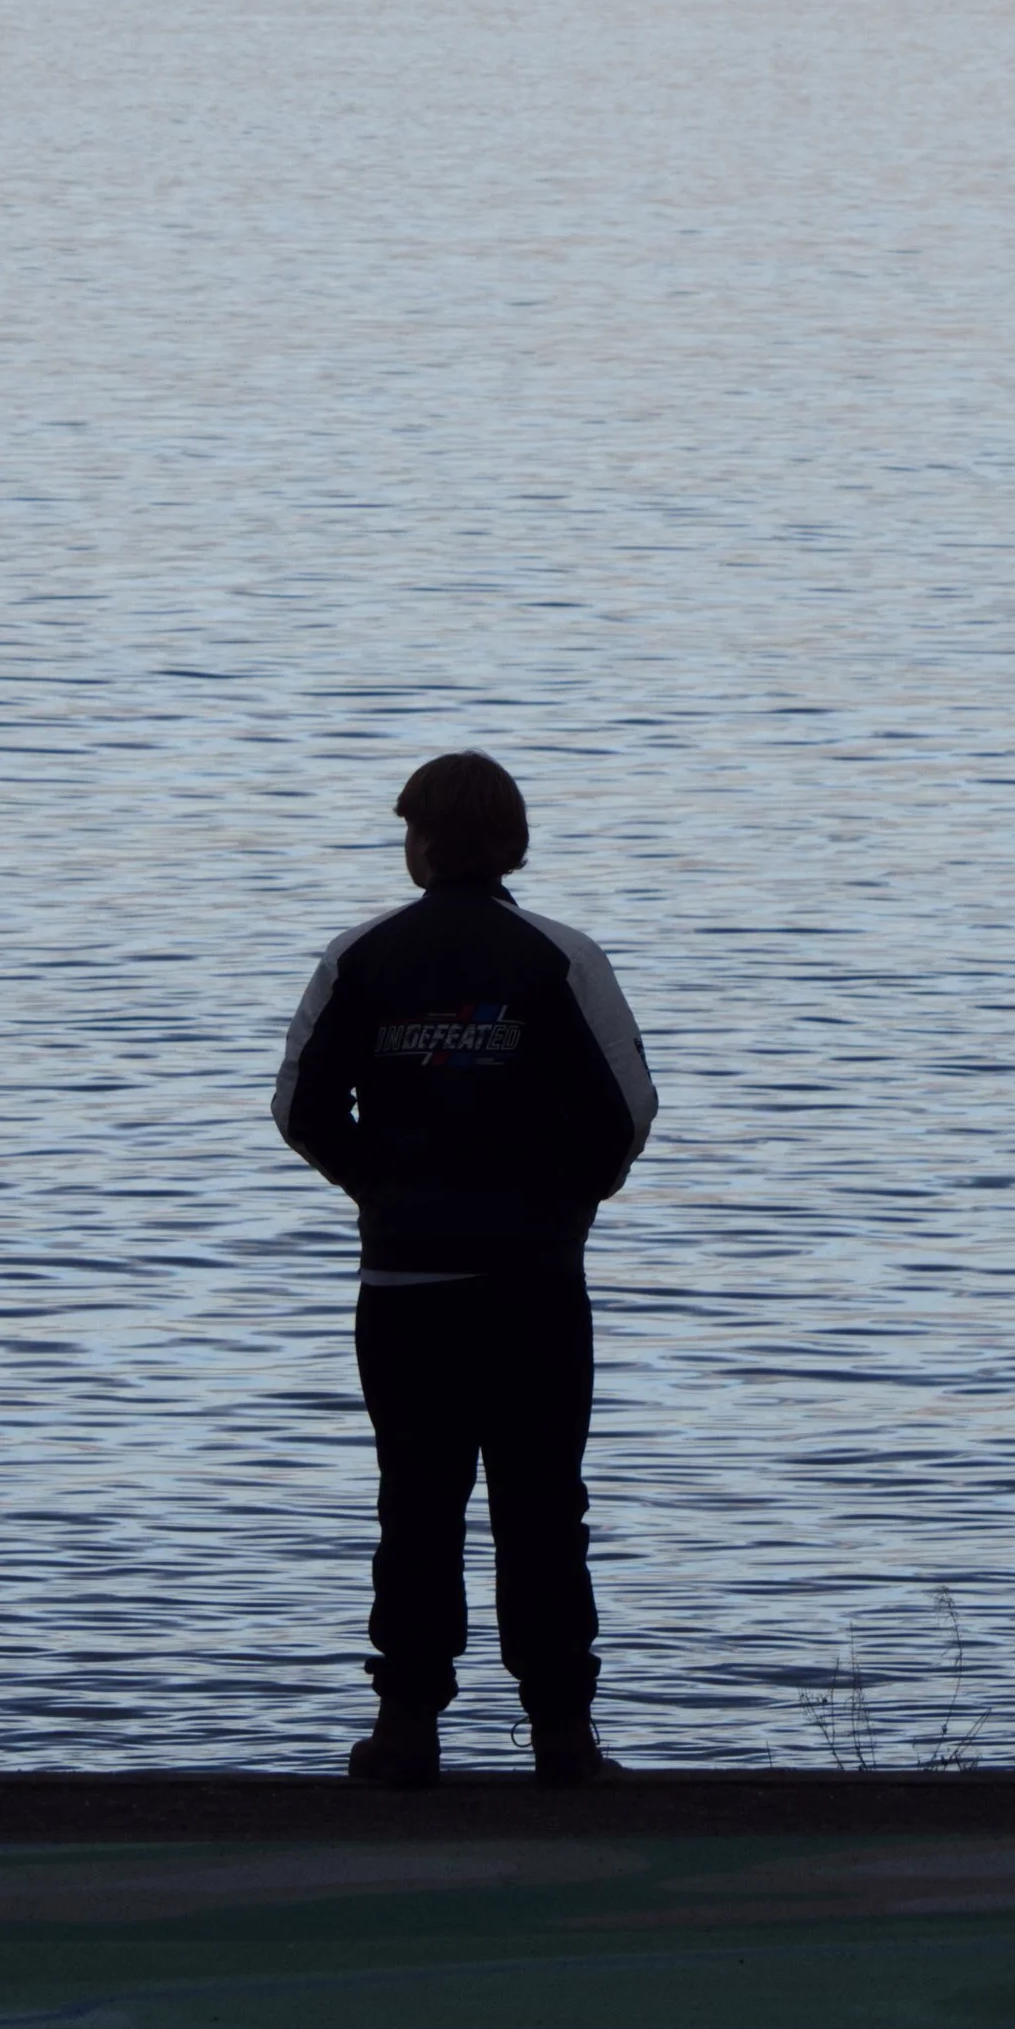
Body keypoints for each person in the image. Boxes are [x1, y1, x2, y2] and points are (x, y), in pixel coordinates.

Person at [273, 751, 656, 1788]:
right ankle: (562, 1740)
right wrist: (561, 1206)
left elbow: (298, 1110)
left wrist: (383, 1193)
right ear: (512, 842)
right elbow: (626, 1113)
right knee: (542, 1506)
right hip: (535, 1284)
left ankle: (405, 1732)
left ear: (422, 841)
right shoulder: (559, 955)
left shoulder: (363, 956)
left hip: (405, 1287)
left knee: (416, 1499)